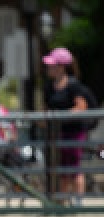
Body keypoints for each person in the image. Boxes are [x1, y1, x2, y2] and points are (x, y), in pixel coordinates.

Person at [42, 47, 90, 200]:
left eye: (52, 65)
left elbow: (82, 106)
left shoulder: (73, 85)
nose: (49, 68)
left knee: (74, 168)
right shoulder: (49, 87)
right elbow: (45, 110)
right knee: (61, 170)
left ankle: (77, 201)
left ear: (61, 66)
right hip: (56, 134)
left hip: (74, 133)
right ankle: (61, 201)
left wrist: (61, 116)